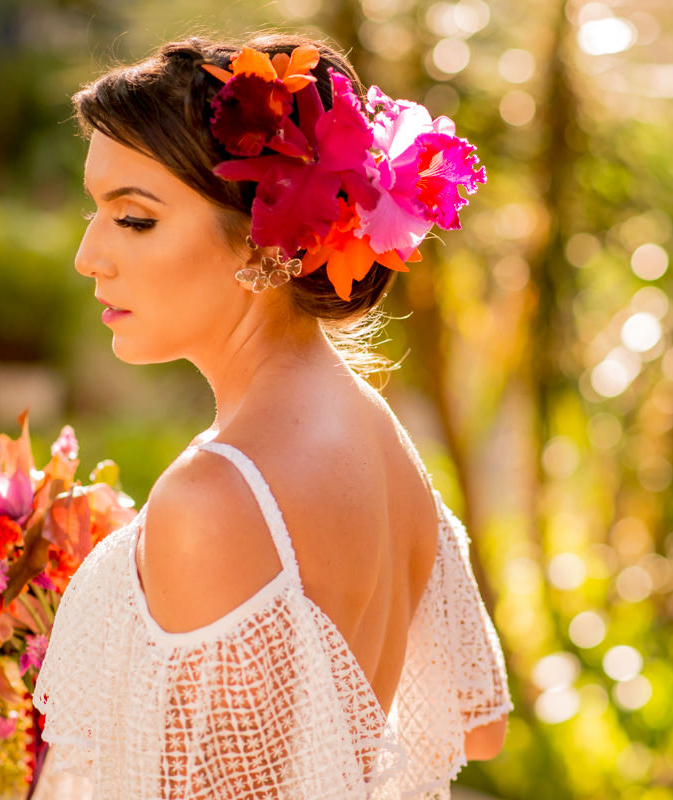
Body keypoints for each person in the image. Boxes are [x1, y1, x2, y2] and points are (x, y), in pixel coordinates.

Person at [31, 32, 511, 800]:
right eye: (98, 212)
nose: (90, 255)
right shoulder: (376, 432)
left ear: (264, 235)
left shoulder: (214, 498)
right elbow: (473, 725)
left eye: (134, 219)